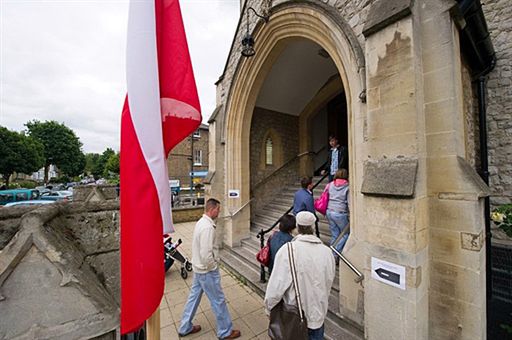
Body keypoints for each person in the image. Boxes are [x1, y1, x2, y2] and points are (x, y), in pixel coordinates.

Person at [264, 211, 335, 340]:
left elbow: (277, 285)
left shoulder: (288, 250)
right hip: (318, 315)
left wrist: (269, 308)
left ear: (297, 227)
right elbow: (328, 281)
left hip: (294, 316)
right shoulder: (327, 252)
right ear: (313, 227)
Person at [178, 198, 241, 339]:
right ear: (212, 210)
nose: (219, 212)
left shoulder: (201, 222)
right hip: (206, 271)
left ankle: (184, 327)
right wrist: (213, 267)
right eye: (218, 209)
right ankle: (225, 332)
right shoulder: (207, 227)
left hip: (198, 269)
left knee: (193, 298)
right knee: (218, 300)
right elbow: (206, 254)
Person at [325, 168, 350, 261]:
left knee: (335, 235)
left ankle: (331, 254)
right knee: (345, 234)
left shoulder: (330, 184)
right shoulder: (347, 187)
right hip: (340, 213)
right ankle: (334, 253)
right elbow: (349, 202)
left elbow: (325, 195)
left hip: (329, 211)